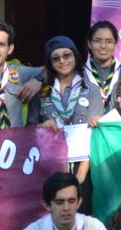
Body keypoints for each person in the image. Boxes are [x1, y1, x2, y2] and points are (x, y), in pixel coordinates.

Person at [29, 36, 103, 183]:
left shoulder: (92, 90)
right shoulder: (41, 91)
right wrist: (41, 127)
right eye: (56, 58)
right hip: (49, 166)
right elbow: (29, 129)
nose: (62, 61)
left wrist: (80, 175)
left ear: (75, 56)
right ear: (50, 63)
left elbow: (94, 133)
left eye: (67, 55)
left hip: (82, 168)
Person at [82, 20, 121, 113]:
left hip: (117, 127)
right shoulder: (79, 74)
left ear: (115, 44)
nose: (103, 46)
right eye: (97, 41)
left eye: (109, 41)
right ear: (89, 44)